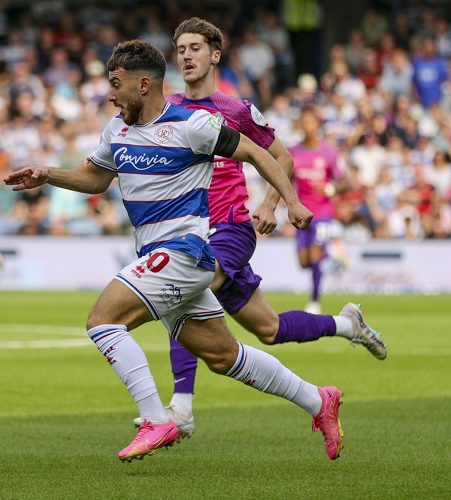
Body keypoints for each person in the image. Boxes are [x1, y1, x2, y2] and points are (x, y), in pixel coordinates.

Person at [6, 39, 346, 462]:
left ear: (143, 84)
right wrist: (47, 174)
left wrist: (289, 201)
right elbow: (95, 178)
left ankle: (157, 419)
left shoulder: (192, 125)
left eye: (116, 84)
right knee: (224, 357)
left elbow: (257, 152)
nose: (110, 94)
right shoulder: (117, 129)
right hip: (158, 256)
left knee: (103, 321)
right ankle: (318, 400)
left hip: (184, 252)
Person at [152, 17, 387, 439]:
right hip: (191, 231)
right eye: (181, 49)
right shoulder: (168, 110)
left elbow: (283, 156)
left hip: (229, 229)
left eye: (195, 48)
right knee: (270, 329)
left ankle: (181, 409)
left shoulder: (236, 110)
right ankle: (348, 325)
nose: (186, 56)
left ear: (215, 55)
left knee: (183, 290)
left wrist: (270, 203)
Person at [290, 106, 349, 313]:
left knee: (315, 259)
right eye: (304, 122)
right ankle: (331, 253)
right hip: (301, 214)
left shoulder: (329, 152)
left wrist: (330, 188)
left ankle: (314, 301)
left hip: (322, 213)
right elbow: (284, 179)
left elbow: (344, 180)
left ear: (318, 125)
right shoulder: (293, 152)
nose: (307, 126)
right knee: (304, 262)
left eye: (311, 122)